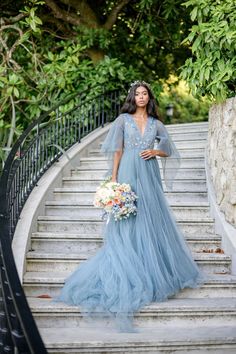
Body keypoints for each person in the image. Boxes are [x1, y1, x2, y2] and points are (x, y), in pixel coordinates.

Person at [54, 81, 206, 331]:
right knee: (128, 219)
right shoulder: (122, 120)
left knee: (149, 217)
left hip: (148, 174)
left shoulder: (157, 124)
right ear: (132, 98)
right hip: (127, 172)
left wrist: (155, 153)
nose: (141, 97)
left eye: (145, 93)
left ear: (150, 97)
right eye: (137, 94)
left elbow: (169, 148)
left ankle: (150, 267)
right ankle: (127, 264)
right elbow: (117, 150)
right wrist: (114, 180)